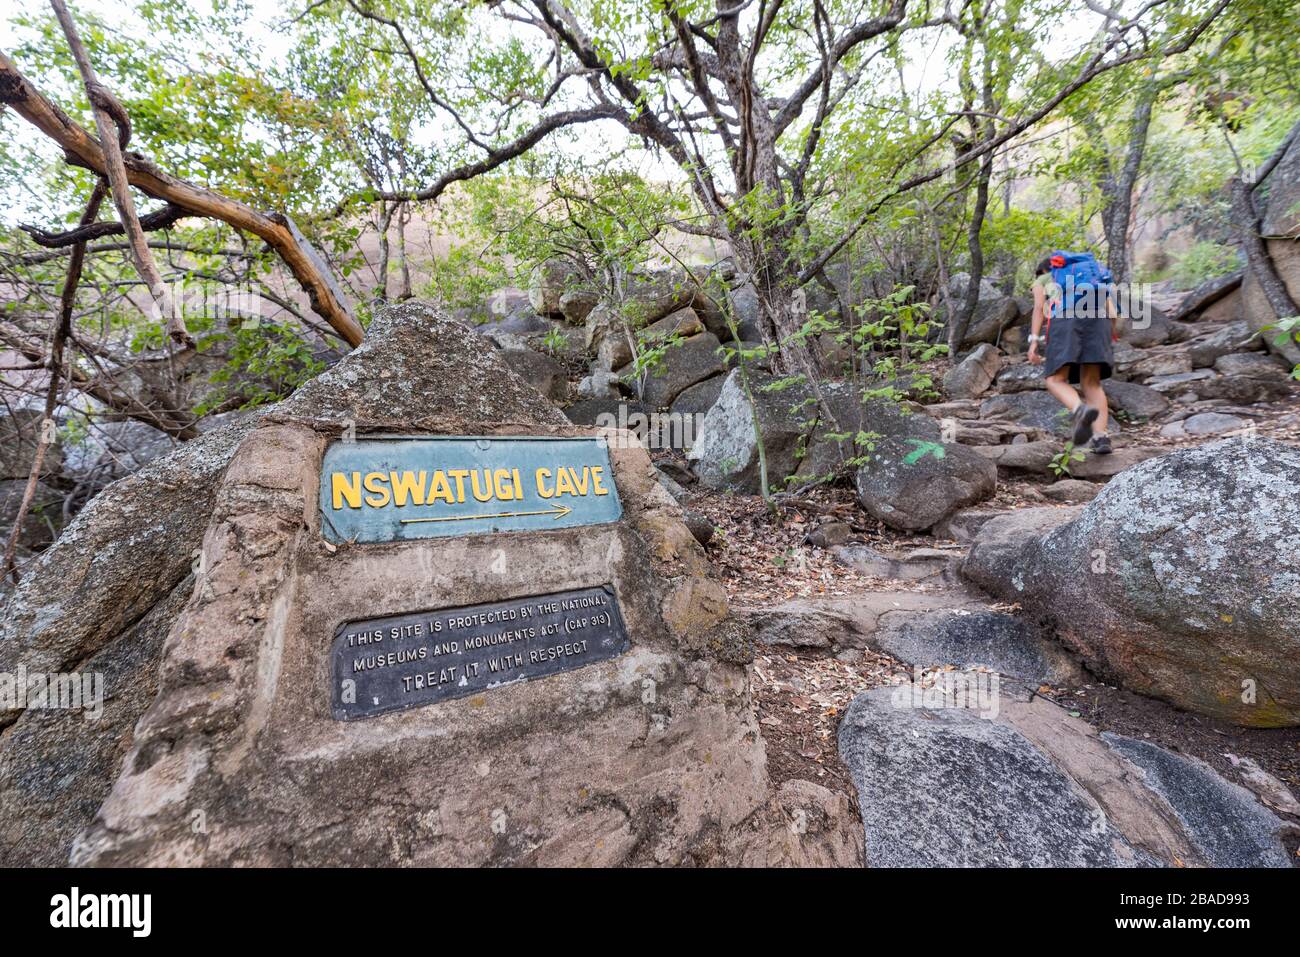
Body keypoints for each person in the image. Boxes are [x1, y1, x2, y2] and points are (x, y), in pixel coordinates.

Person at [1027, 252, 1119, 454]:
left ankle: (1081, 410)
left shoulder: (1045, 278)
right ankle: (1101, 438)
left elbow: (1038, 308)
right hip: (1099, 321)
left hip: (1066, 321)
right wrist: (1109, 332)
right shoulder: (1097, 275)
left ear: (1045, 270)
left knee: (1055, 380)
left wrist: (1033, 340)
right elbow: (1112, 311)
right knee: (1092, 383)